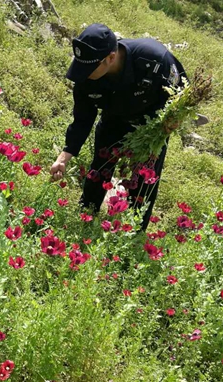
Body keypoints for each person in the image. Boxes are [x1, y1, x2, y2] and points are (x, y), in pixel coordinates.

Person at [50, 23, 186, 230]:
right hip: (114, 119)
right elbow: (82, 119)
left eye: (89, 68)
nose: (83, 74)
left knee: (144, 182)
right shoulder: (86, 77)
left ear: (110, 58)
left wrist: (173, 120)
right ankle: (86, 217)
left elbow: (182, 92)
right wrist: (65, 155)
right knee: (100, 169)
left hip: (152, 127)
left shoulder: (153, 60)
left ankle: (133, 231)